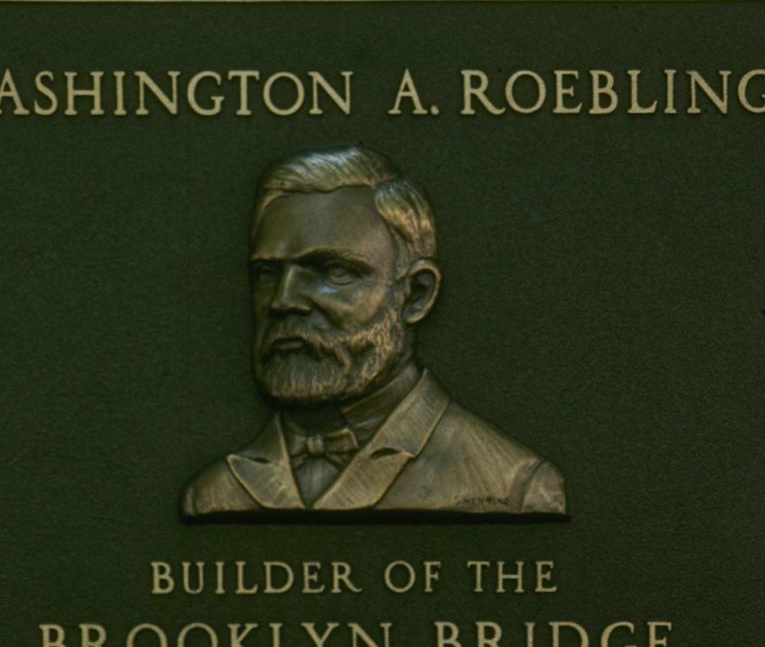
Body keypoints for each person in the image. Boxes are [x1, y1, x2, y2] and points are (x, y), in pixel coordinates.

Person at [181, 146, 567, 518]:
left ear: (416, 295)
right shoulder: (213, 493)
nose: (283, 301)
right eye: (268, 274)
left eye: (334, 272)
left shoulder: (515, 487)